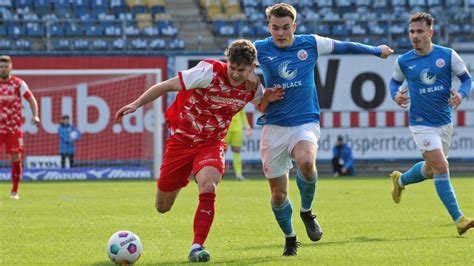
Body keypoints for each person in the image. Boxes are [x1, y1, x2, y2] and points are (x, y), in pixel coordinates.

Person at [114, 39, 283, 263]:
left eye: (241, 70)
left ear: (252, 67)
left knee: (208, 184)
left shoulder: (253, 87)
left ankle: (197, 247)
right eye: (232, 67)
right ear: (227, 61)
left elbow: (261, 104)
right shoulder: (208, 72)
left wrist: (267, 99)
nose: (235, 74)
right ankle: (183, 176)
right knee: (162, 207)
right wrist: (135, 104)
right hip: (181, 142)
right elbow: (165, 86)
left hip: (211, 143)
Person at [254, 3, 393, 256]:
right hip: (273, 127)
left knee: (307, 162)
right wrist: (262, 94)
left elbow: (345, 46)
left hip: (304, 121)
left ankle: (306, 211)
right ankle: (290, 238)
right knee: (278, 195)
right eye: (275, 28)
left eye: (286, 28)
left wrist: (376, 50)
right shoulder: (259, 49)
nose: (281, 33)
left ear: (294, 26)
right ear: (269, 27)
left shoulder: (310, 44)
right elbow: (235, 71)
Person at [389, 12, 473, 236]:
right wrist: (396, 95)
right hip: (420, 123)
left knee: (430, 169)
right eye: (411, 32)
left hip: (444, 122)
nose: (415, 36)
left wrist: (461, 95)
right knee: (441, 166)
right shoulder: (404, 61)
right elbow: (394, 83)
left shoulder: (447, 55)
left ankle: (401, 180)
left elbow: (467, 79)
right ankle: (459, 219)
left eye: (419, 31)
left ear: (430, 32)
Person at [0, 55, 40, 200]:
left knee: (16, 157)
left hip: (13, 129)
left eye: (5, 66)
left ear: (10, 67)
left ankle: (14, 191)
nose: (3, 69)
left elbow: (31, 99)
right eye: (1, 66)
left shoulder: (18, 83)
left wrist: (35, 115)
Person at [224, 109, 252, 180]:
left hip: (237, 129)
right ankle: (220, 174)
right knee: (222, 152)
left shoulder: (239, 99)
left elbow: (242, 113)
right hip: (225, 128)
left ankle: (238, 174)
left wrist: (247, 126)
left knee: (237, 151)